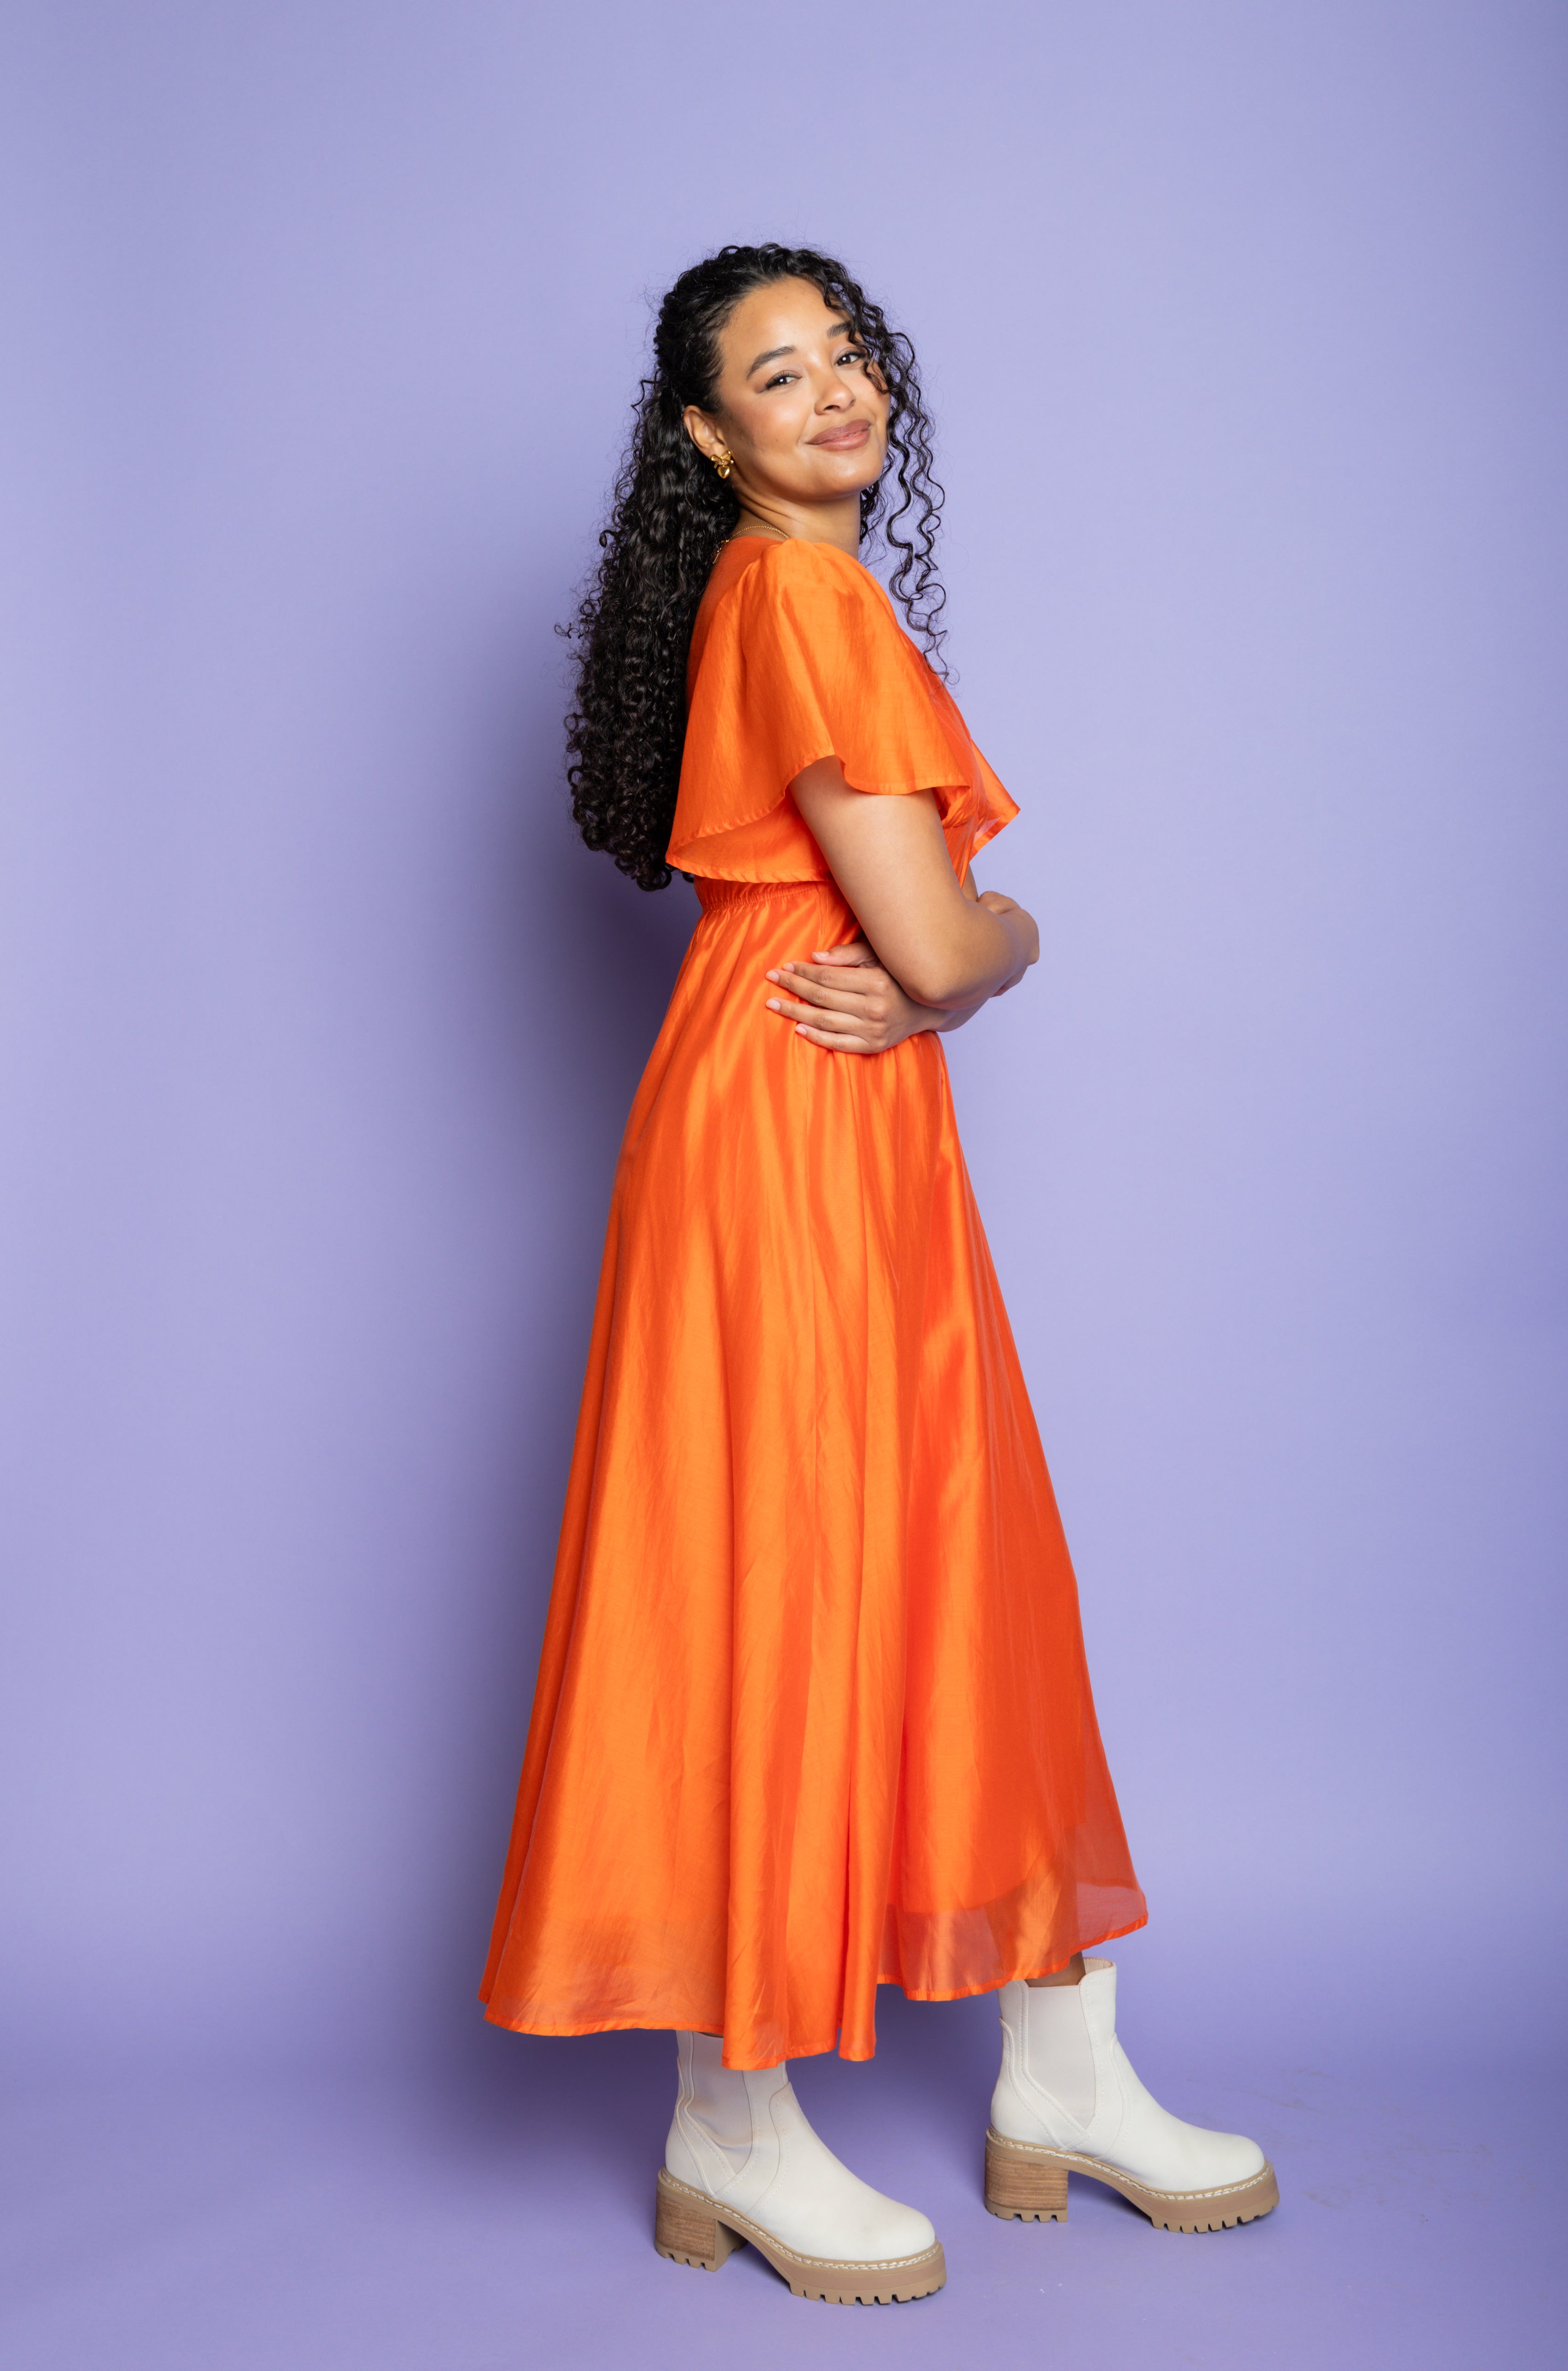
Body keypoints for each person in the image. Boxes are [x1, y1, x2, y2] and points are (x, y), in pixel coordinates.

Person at [481, 242, 1277, 2304]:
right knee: (788, 1574)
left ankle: (1059, 2060)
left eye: (845, 354)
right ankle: (730, 2115)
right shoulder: (805, 594)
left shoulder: (785, 594)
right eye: (778, 370)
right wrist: (1012, 946)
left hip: (825, 1114)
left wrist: (951, 964)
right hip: (795, 1121)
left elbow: (896, 938)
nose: (831, 390)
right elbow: (931, 950)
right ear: (706, 436)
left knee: (954, 1553)